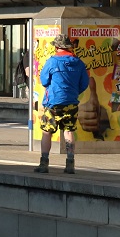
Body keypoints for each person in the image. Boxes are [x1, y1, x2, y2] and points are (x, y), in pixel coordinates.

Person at [34, 34, 90, 174]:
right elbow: (84, 84)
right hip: (71, 102)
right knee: (69, 131)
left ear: (57, 47)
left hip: (53, 103)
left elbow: (44, 80)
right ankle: (70, 163)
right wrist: (73, 92)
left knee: (47, 132)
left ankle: (44, 163)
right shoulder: (78, 62)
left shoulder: (52, 62)